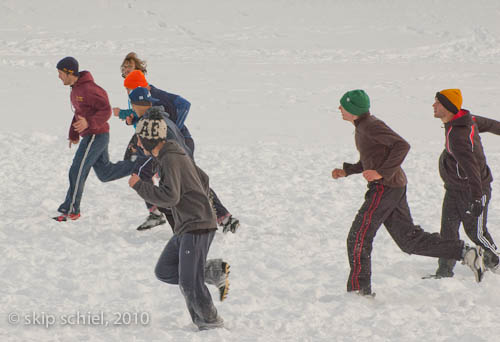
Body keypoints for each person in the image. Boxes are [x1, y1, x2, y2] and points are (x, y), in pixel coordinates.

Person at [331, 89, 486, 296]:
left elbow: (402, 145)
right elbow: (375, 156)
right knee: (408, 240)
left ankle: (359, 290)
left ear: (353, 109)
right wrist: (348, 170)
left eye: (343, 105)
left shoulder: (371, 126)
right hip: (392, 186)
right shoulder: (363, 127)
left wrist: (381, 173)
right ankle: (465, 253)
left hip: (385, 188)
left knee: (358, 236)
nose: (339, 109)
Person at [128, 87, 230, 301]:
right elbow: (201, 179)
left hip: (195, 223)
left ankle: (209, 325)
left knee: (188, 282)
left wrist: (140, 186)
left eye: (139, 141)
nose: (137, 144)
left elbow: (172, 195)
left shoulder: (168, 153)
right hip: (189, 221)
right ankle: (212, 273)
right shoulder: (160, 135)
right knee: (166, 271)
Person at [114, 68, 240, 233]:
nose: (127, 92)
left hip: (177, 144)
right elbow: (145, 120)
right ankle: (219, 217)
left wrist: (174, 129)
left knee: (152, 176)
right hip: (172, 146)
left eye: (129, 88)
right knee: (192, 181)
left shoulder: (156, 96)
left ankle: (163, 215)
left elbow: (183, 105)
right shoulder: (148, 103)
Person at [53, 57, 135, 222]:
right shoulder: (75, 89)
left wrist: (89, 123)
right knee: (105, 173)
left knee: (77, 169)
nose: (59, 76)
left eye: (61, 73)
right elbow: (79, 113)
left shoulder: (90, 89)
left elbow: (106, 111)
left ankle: (71, 209)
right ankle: (140, 164)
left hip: (96, 135)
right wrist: (74, 134)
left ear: (70, 72)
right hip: (93, 135)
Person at [431, 89, 500, 278]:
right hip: (455, 187)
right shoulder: (467, 120)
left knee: (476, 233)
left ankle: (495, 261)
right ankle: (445, 271)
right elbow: (493, 125)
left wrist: (477, 198)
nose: (433, 105)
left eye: (437, 102)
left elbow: (472, 169)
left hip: (473, 189)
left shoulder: (457, 136)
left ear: (449, 107)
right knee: (448, 230)